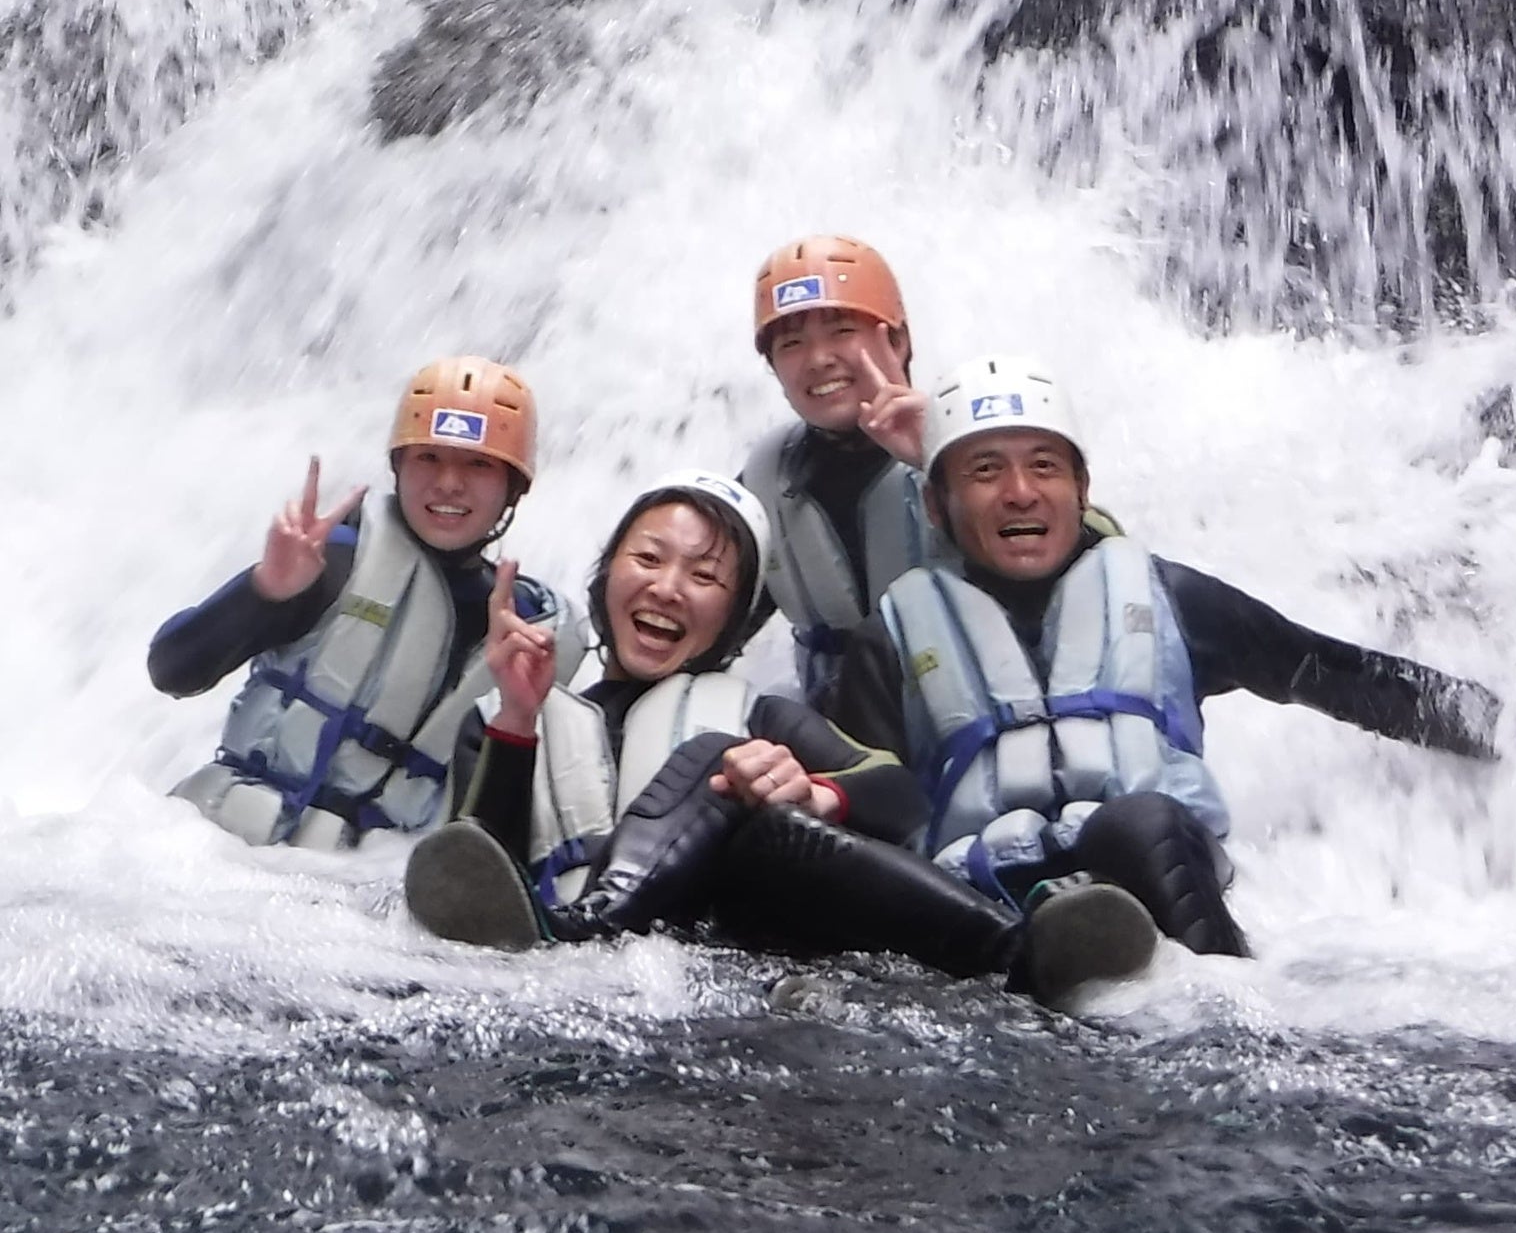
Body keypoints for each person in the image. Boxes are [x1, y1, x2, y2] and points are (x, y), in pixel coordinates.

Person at [868, 354, 1516, 965]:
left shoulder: (1171, 600)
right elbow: (846, 805)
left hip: (1156, 891)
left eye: (1045, 466)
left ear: (1081, 486)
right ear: (935, 502)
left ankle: (1226, 1010)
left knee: (1143, 820)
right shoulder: (894, 635)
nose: (1020, 491)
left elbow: (1340, 674)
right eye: (986, 471)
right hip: (981, 913)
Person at [397, 470, 1145, 1008]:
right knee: (715, 763)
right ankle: (1014, 954)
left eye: (705, 575)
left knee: (753, 801)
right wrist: (519, 720)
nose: (667, 587)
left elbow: (902, 799)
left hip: (711, 956)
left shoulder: (756, 714)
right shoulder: (511, 716)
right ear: (607, 576)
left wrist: (817, 789)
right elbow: (469, 868)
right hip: (581, 971)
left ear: (734, 618)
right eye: (649, 558)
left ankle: (1025, 953)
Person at [152, 356, 560, 849]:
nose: (449, 482)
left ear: (514, 488)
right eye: (428, 457)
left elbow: (497, 846)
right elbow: (171, 670)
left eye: (478, 464)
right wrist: (265, 593)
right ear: (398, 466)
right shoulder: (334, 559)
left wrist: (517, 714)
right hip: (223, 852)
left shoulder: (523, 634)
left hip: (365, 889)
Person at [736, 235, 936, 719]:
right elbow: (702, 619)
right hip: (840, 748)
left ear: (898, 340)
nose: (818, 358)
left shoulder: (968, 441)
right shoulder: (765, 483)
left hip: (971, 732)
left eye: (842, 330)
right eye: (792, 343)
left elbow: (1076, 560)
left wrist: (947, 465)